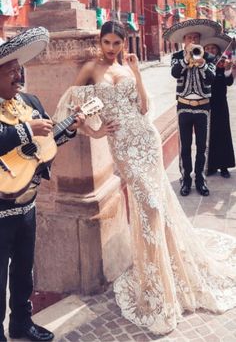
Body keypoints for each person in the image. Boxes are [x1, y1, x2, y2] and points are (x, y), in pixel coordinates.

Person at [54, 20, 236, 336]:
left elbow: (144, 106)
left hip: (146, 140)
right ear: (100, 41)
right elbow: (68, 110)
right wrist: (94, 130)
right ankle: (154, 280)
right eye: (106, 42)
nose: (111, 48)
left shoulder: (126, 67)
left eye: (116, 43)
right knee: (149, 207)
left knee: (159, 207)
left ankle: (166, 269)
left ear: (124, 44)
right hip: (124, 147)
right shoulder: (90, 69)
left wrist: (136, 73)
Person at [0, 27, 84, 342]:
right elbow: (23, 135)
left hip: (27, 206)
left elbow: (43, 145)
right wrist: (25, 130)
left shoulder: (30, 101)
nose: (17, 75)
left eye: (18, 69)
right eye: (9, 70)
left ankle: (21, 323)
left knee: (24, 273)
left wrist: (69, 129)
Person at [163, 19, 222, 197]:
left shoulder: (209, 57)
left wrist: (202, 62)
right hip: (184, 107)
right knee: (185, 147)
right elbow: (174, 73)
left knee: (202, 147)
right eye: (190, 38)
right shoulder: (177, 57)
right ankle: (185, 180)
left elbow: (211, 78)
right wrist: (187, 60)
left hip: (203, 108)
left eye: (196, 38)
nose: (193, 41)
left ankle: (200, 179)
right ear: (185, 40)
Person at [202, 35, 235, 178]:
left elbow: (228, 82)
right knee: (209, 136)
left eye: (213, 48)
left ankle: (224, 166)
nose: (210, 50)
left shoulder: (222, 64)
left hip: (221, 104)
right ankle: (211, 166)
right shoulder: (201, 64)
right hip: (205, 103)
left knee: (223, 133)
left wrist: (228, 70)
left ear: (217, 50)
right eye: (207, 48)